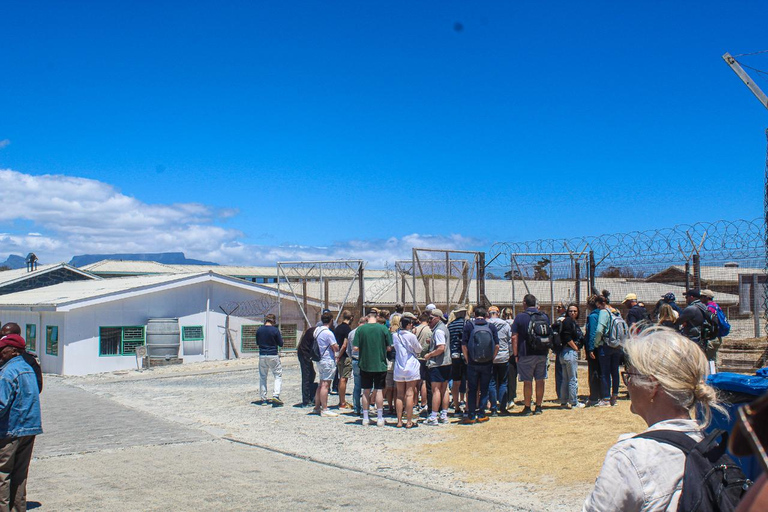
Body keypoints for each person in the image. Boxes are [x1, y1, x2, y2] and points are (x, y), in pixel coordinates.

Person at [584, 327, 726, 511]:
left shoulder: (629, 458)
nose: (628, 385)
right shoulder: (711, 446)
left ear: (652, 385)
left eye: (630, 376)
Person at [0, 333, 42, 511]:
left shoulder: (8, 372)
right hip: (29, 429)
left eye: (2, 350)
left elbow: (1, 404)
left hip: (11, 431)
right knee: (20, 474)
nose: (0, 353)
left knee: (3, 475)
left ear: (14, 351)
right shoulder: (28, 368)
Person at [510, 294, 550, 416]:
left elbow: (514, 337)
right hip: (542, 352)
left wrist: (515, 355)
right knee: (540, 380)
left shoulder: (520, 317)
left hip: (526, 353)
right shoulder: (544, 316)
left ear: (524, 303)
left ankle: (527, 407)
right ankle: (538, 406)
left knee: (527, 381)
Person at [459, 306, 499, 424]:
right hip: (487, 362)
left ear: (474, 315)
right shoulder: (491, 327)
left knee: (472, 389)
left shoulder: (469, 326)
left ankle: (471, 415)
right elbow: (497, 345)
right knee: (484, 388)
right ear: (486, 315)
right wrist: (492, 358)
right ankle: (481, 414)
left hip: (472, 362)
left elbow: (464, 345)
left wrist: (467, 359)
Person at [353, 311, 393, 427]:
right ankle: (380, 418)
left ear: (367, 318)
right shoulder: (383, 329)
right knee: (379, 390)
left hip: (365, 363)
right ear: (377, 317)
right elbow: (389, 348)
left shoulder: (360, 329)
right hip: (380, 364)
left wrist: (365, 349)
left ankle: (365, 418)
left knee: (365, 391)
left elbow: (355, 347)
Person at [392, 316, 422, 428]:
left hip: (399, 366)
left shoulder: (395, 336)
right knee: (409, 394)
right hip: (410, 365)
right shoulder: (411, 336)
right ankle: (409, 421)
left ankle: (399, 421)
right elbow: (418, 349)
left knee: (399, 394)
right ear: (408, 325)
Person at [424, 309, 452, 426]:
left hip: (438, 363)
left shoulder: (439, 331)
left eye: (430, 319)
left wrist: (429, 355)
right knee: (444, 389)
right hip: (446, 363)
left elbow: (441, 348)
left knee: (436, 390)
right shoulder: (443, 328)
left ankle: (434, 416)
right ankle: (444, 414)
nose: (429, 321)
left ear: (437, 318)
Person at [0, 324, 42, 393]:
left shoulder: (29, 360)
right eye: (1, 335)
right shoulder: (2, 355)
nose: (3, 338)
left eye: (7, 336)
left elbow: (37, 386)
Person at [312, 312, 339, 417]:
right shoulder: (328, 333)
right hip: (327, 359)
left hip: (319, 359)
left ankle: (317, 407)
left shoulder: (317, 330)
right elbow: (335, 347)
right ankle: (325, 408)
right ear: (331, 320)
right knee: (325, 385)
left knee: (321, 383)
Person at [585, 295, 610, 407]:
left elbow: (592, 333)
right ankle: (603, 394)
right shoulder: (605, 314)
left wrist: (590, 348)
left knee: (594, 371)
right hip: (604, 346)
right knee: (602, 372)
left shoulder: (593, 316)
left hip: (595, 347)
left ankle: (594, 397)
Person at [487, 306, 511, 416]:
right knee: (503, 382)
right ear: (498, 313)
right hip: (503, 356)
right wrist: (509, 353)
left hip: (490, 357)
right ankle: (503, 406)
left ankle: (493, 408)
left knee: (491, 382)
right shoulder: (505, 324)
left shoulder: (486, 324)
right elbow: (510, 340)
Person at [559, 304, 585, 409]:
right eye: (570, 311)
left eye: (575, 311)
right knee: (572, 379)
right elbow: (567, 336)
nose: (573, 313)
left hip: (565, 353)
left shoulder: (572, 322)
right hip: (569, 352)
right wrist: (575, 348)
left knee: (566, 379)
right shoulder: (568, 322)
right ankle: (574, 402)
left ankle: (564, 401)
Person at [255, 314, 284, 406]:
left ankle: (263, 399)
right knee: (277, 375)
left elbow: (257, 342)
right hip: (273, 354)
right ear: (273, 321)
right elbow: (281, 343)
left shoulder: (259, 330)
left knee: (263, 376)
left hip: (262, 354)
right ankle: (276, 395)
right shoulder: (275, 330)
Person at [447, 306, 468, 416]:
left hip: (454, 355)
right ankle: (467, 407)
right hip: (465, 356)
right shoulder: (467, 324)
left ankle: (456, 407)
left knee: (456, 382)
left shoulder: (450, 325)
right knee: (469, 382)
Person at [347, 316, 368, 416]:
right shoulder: (366, 332)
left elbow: (348, 350)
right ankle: (366, 408)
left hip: (355, 361)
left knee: (357, 386)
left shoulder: (351, 333)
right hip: (365, 361)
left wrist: (352, 358)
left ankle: (356, 408)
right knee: (367, 386)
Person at [333, 310, 354, 410]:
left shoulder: (337, 328)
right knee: (343, 378)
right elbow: (345, 345)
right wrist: (340, 355)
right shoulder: (347, 329)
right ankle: (342, 402)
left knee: (340, 377)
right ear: (350, 318)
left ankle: (341, 401)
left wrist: (336, 356)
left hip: (339, 356)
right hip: (345, 356)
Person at [414, 312, 433, 415]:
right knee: (425, 382)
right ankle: (424, 403)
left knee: (417, 382)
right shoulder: (430, 330)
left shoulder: (415, 329)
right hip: (425, 357)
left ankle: (415, 402)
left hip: (416, 357)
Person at [700, 289, 724, 364]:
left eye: (702, 296)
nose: (700, 298)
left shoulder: (709, 308)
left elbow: (713, 322)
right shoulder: (716, 306)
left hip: (712, 337)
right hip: (717, 336)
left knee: (710, 360)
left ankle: (713, 374)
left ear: (707, 297)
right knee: (712, 358)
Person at [297, 326, 317, 407]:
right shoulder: (316, 332)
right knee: (306, 376)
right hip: (304, 354)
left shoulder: (313, 331)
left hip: (305, 353)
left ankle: (311, 396)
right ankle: (306, 401)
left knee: (312, 374)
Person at [502, 307, 518, 409]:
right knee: (512, 377)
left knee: (504, 378)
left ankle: (504, 398)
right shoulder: (515, 323)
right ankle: (511, 398)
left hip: (503, 353)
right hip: (513, 353)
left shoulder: (502, 324)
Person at [551, 303, 566, 402]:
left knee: (560, 373)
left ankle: (561, 395)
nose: (557, 308)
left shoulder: (561, 320)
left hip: (561, 349)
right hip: (567, 349)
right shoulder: (569, 319)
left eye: (559, 307)